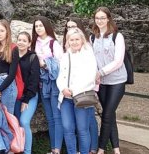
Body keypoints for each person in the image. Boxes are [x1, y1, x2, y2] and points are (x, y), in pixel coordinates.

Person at [57, 28, 98, 154]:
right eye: (71, 40)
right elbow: (60, 76)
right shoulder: (65, 56)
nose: (74, 42)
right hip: (66, 98)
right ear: (68, 41)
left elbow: (91, 77)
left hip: (81, 97)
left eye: (77, 39)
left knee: (82, 130)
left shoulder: (88, 55)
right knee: (67, 128)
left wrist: (74, 91)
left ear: (82, 40)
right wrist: (63, 88)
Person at [91, 7, 127, 154]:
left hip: (117, 80)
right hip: (101, 82)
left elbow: (118, 61)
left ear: (108, 19)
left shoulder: (117, 37)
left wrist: (100, 72)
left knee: (106, 114)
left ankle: (100, 149)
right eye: (97, 18)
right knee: (110, 115)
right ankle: (116, 149)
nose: (99, 21)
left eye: (102, 18)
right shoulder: (92, 37)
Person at [31, 16, 63, 154]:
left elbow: (61, 64)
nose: (38, 28)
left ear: (46, 27)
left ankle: (57, 149)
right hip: (42, 83)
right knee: (49, 117)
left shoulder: (53, 43)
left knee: (57, 117)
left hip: (54, 83)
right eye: (36, 26)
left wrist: (44, 64)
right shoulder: (34, 43)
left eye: (41, 25)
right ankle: (53, 148)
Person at [14, 31, 40, 154]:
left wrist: (26, 100)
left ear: (29, 43)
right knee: (16, 123)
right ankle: (17, 149)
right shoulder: (12, 56)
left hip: (30, 96)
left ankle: (27, 151)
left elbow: (34, 81)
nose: (21, 42)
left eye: (24, 41)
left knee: (24, 121)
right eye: (19, 40)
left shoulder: (33, 57)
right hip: (15, 95)